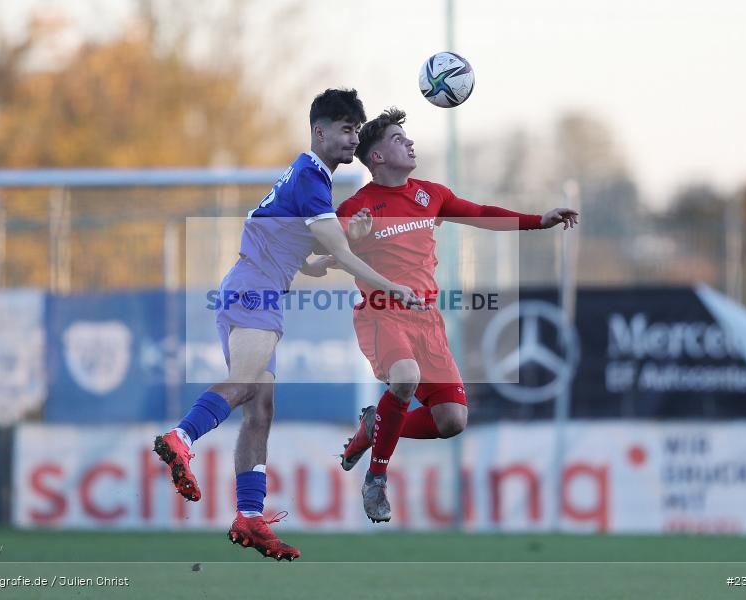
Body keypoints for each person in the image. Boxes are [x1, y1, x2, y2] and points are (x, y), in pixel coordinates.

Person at [153, 91, 424, 560]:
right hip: (256, 291)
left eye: (355, 130)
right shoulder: (312, 179)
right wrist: (392, 286)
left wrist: (340, 244)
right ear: (319, 131)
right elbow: (340, 253)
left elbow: (309, 257)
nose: (353, 138)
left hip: (250, 287)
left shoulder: (306, 178)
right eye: (345, 129)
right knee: (245, 384)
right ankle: (182, 437)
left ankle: (249, 517)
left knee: (260, 409)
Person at [335, 108, 579, 523]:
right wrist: (348, 236)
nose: (410, 143)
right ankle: (376, 478)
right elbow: (325, 247)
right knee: (405, 378)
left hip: (426, 320)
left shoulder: (430, 194)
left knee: (451, 419)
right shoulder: (358, 206)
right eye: (398, 139)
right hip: (382, 316)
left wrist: (539, 221)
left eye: (407, 137)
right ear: (376, 157)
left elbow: (480, 214)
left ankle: (374, 427)